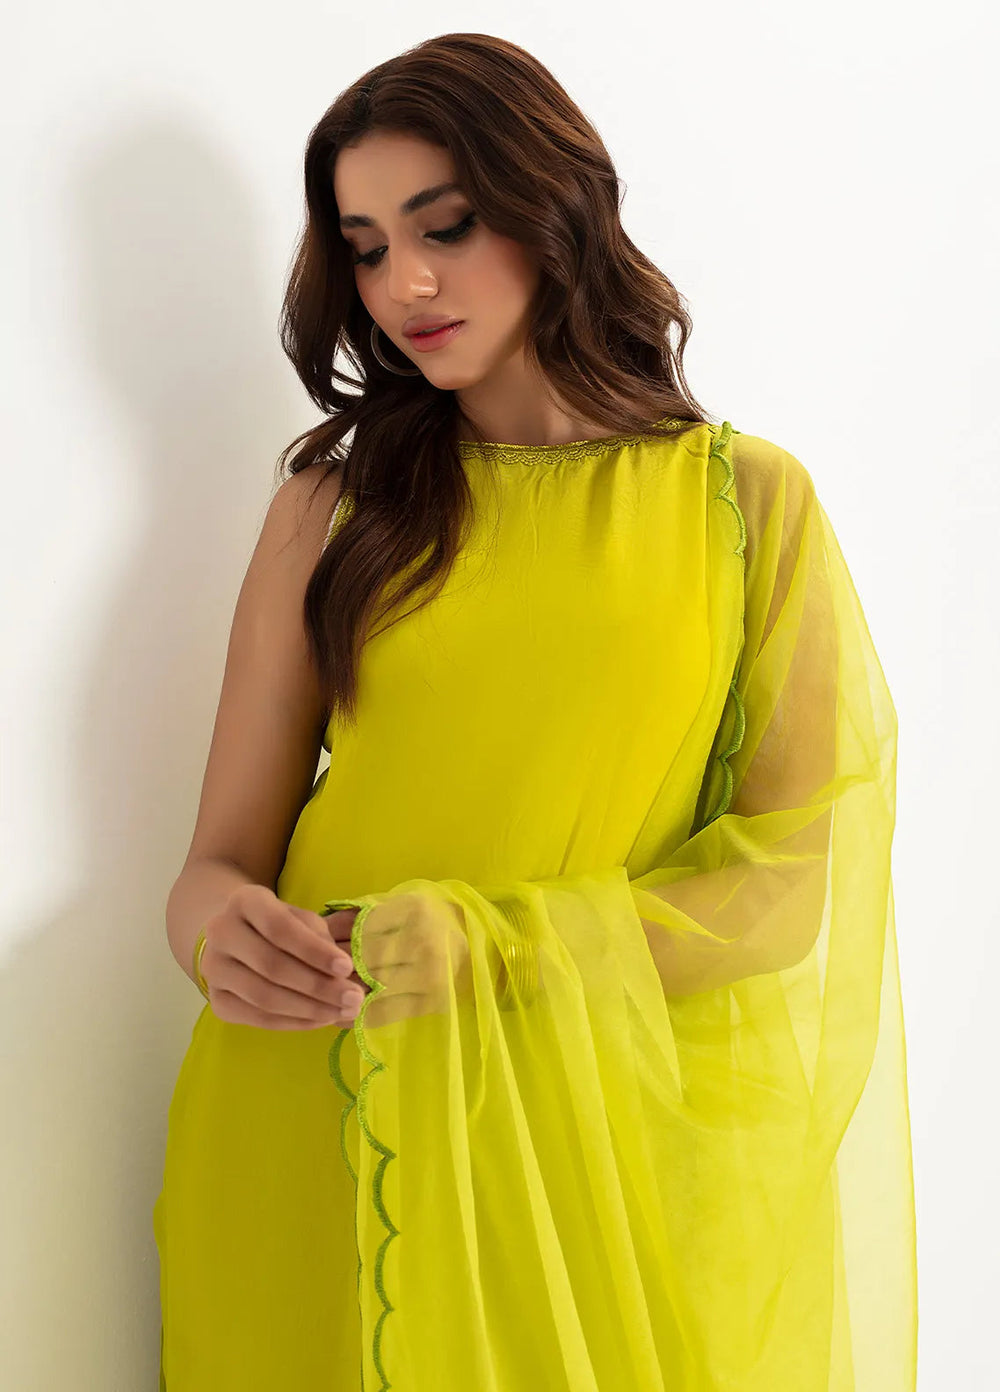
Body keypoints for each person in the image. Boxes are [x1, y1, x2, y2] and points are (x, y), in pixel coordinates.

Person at [152, 31, 918, 1392]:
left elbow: (795, 878)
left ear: (554, 205)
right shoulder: (333, 507)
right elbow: (217, 866)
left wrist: (497, 949)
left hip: (597, 1149)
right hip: (313, 1116)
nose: (405, 284)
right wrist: (222, 943)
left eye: (444, 226)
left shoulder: (744, 506)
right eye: (367, 248)